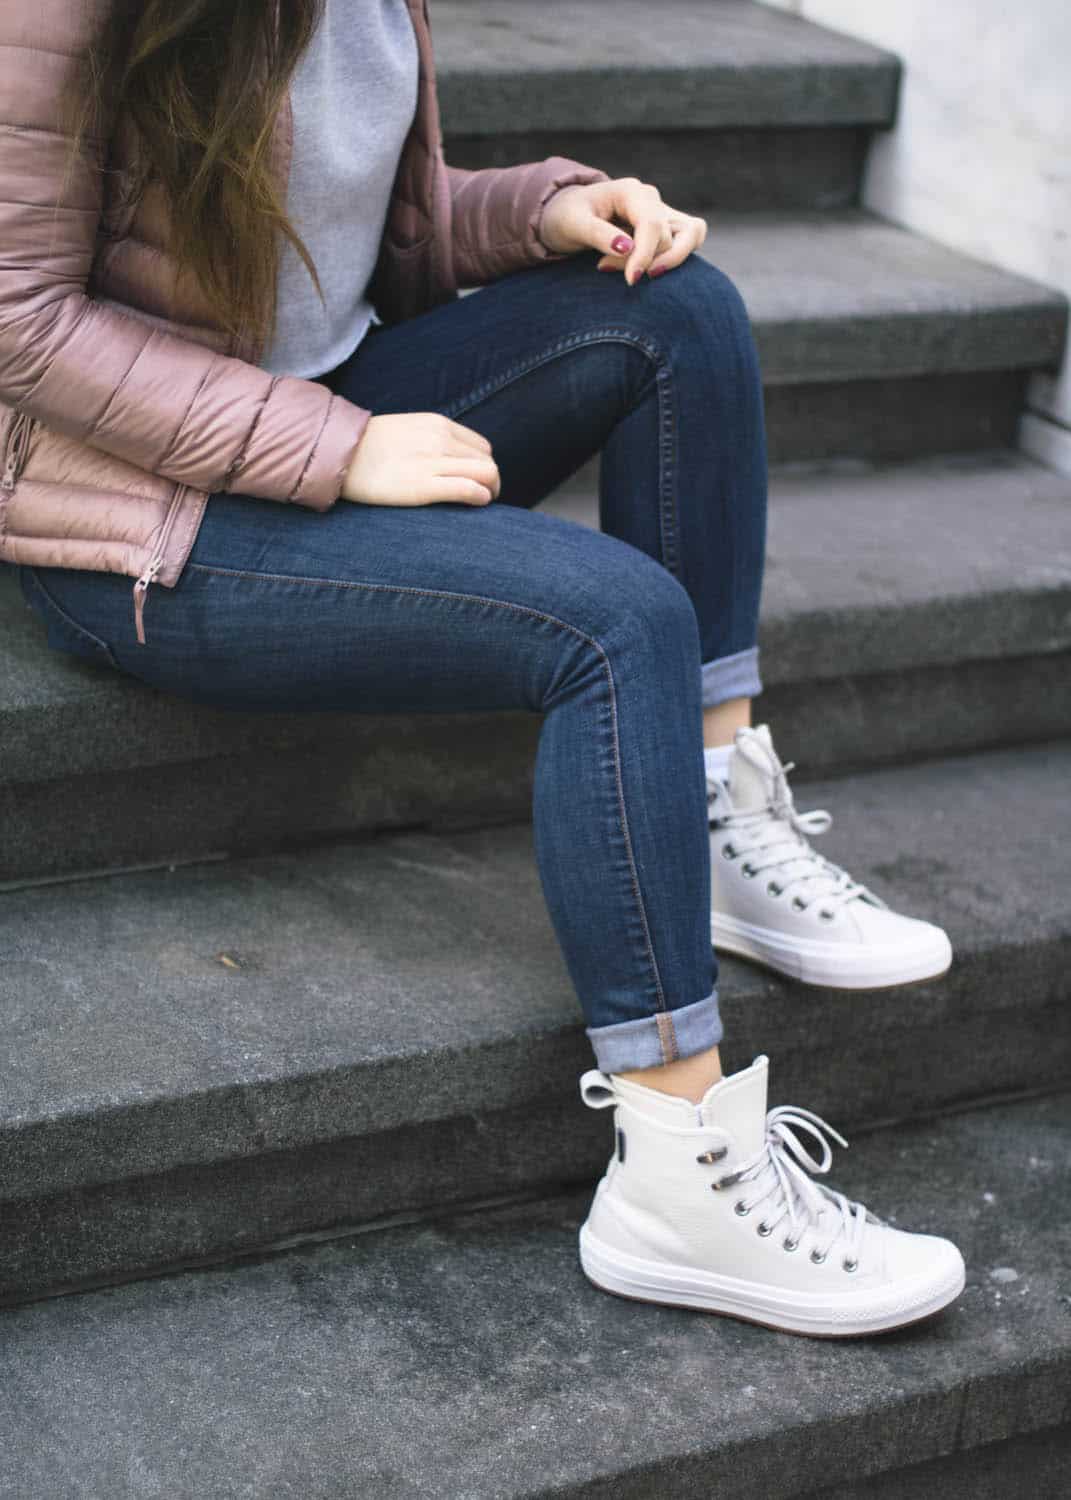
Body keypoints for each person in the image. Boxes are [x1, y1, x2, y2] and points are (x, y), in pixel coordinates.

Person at [0, 0, 964, 1337]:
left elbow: (335, 221)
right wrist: (333, 450)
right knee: (613, 618)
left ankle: (707, 813)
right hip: (143, 519)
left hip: (326, 407)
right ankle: (679, 1175)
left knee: (677, 304)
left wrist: (543, 210)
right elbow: (19, 315)